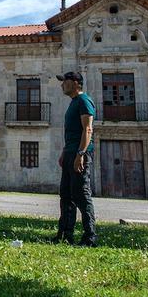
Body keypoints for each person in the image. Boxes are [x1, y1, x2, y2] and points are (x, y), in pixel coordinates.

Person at [55, 71, 97, 246]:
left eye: (64, 81)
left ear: (75, 83)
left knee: (81, 195)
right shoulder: (73, 103)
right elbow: (71, 133)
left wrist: (80, 154)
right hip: (70, 153)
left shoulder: (84, 100)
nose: (62, 84)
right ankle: (65, 234)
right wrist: (65, 153)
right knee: (66, 195)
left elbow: (87, 130)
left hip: (80, 154)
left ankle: (90, 237)